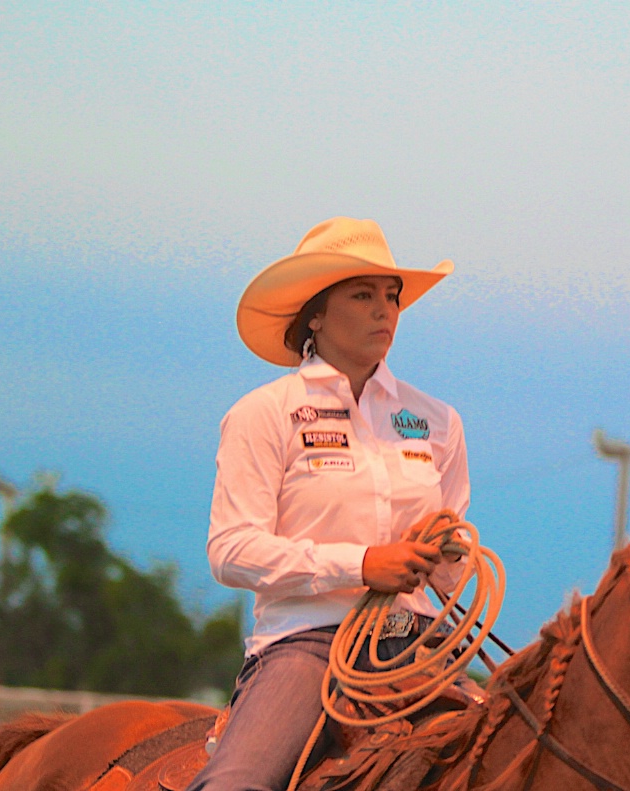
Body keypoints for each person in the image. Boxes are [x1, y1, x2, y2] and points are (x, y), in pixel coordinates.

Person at [189, 216, 470, 790]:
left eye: (391, 297)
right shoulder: (265, 413)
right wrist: (364, 564)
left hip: (419, 646)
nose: (384, 310)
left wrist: (445, 550)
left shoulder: (439, 422)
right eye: (362, 295)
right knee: (235, 786)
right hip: (308, 645)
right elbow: (231, 549)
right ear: (314, 313)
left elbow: (455, 567)